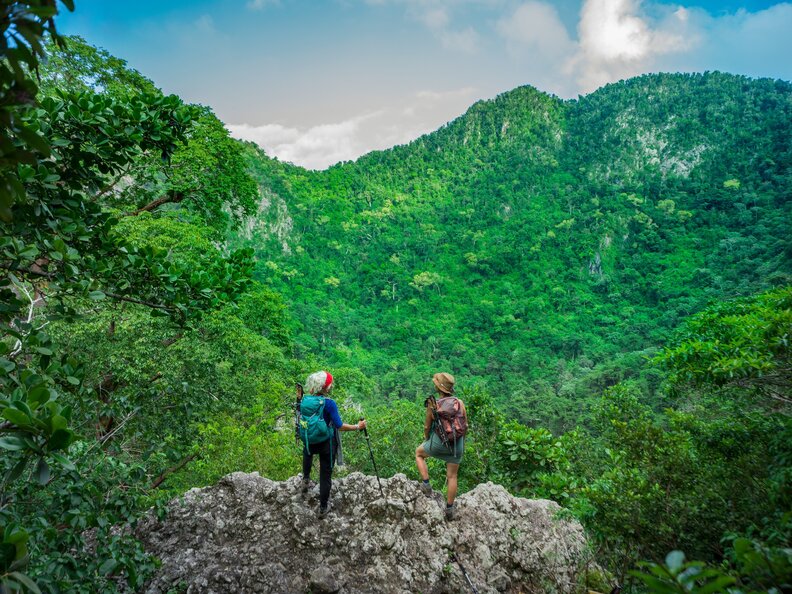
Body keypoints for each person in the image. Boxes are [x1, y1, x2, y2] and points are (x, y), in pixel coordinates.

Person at [299, 370, 366, 518]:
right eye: (330, 384)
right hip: (326, 443)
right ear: (325, 387)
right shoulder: (329, 404)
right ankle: (323, 508)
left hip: (310, 440)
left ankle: (305, 479)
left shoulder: (304, 400)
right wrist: (357, 427)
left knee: (307, 451)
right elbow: (339, 425)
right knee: (325, 474)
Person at [415, 372, 468, 520]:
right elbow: (466, 425)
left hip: (439, 443)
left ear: (438, 388)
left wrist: (427, 441)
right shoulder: (460, 403)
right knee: (452, 476)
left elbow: (427, 427)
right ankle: (450, 509)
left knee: (419, 454)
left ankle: (426, 484)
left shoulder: (434, 405)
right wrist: (461, 443)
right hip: (457, 444)